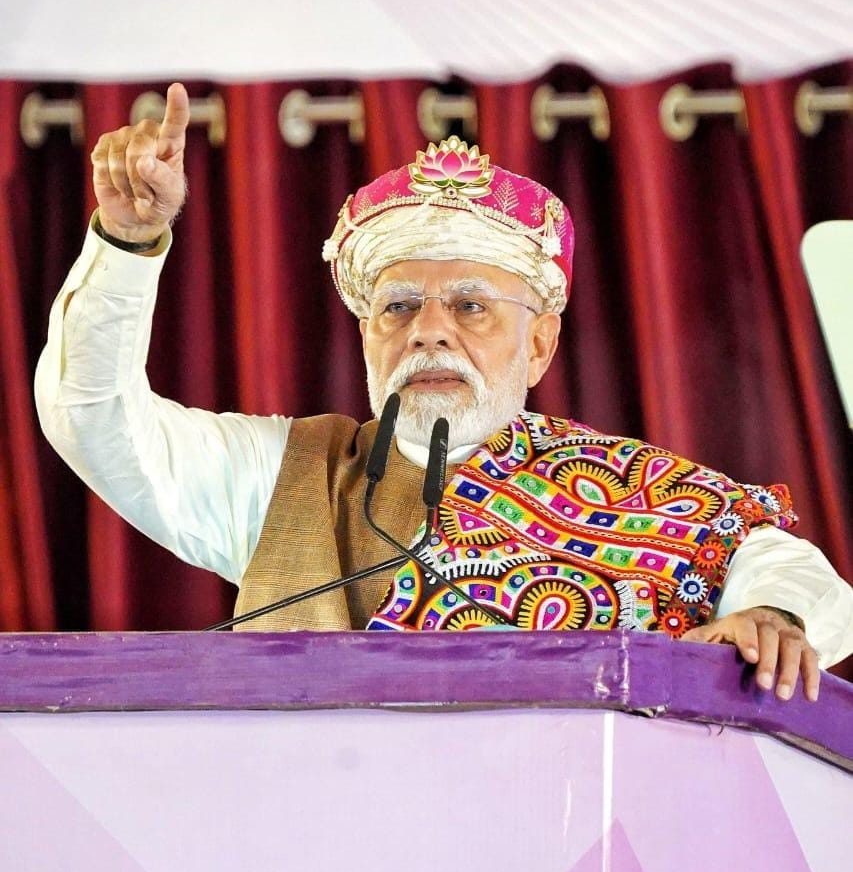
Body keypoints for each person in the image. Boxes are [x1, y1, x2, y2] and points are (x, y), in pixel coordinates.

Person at [35, 84, 853, 702]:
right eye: (397, 307)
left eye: (468, 306)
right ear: (367, 335)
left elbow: (786, 569)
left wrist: (771, 618)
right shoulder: (289, 475)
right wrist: (126, 244)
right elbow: (95, 420)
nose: (427, 332)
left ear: (539, 344)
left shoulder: (641, 490)